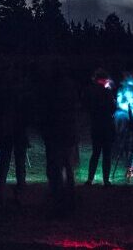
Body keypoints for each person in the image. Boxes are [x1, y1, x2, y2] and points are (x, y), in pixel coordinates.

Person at [38, 60, 79, 216]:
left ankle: (58, 201)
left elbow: (46, 111)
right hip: (67, 133)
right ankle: (70, 200)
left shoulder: (50, 89)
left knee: (55, 168)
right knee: (67, 167)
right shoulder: (70, 87)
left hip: (55, 134)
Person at [0, 62, 30, 205]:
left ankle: (0, 191)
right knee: (19, 163)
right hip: (17, 130)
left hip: (8, 130)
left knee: (5, 162)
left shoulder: (4, 91)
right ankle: (20, 191)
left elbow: (0, 112)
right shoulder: (22, 92)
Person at [84, 68, 115, 186]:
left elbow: (88, 107)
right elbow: (112, 108)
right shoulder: (107, 92)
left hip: (96, 125)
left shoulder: (91, 91)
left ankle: (90, 179)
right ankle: (106, 180)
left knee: (95, 153)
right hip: (106, 125)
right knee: (106, 154)